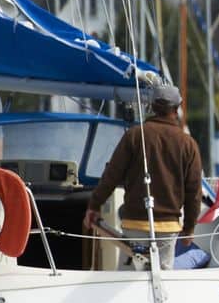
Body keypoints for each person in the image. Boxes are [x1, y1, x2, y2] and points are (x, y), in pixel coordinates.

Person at [84, 80, 206, 266]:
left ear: (152, 106)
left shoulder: (134, 136)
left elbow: (111, 176)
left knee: (128, 274)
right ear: (176, 109)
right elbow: (194, 193)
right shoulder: (188, 144)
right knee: (161, 279)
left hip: (135, 223)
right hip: (168, 228)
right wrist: (188, 229)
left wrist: (94, 206)